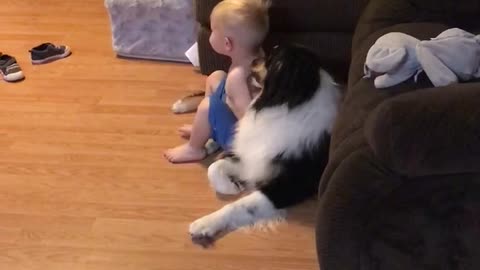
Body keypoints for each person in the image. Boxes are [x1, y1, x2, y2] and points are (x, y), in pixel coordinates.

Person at [164, 0, 270, 163]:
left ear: (227, 43)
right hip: (240, 122)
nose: (210, 34)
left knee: (207, 106)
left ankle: (194, 149)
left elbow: (249, 120)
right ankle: (204, 128)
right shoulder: (257, 56)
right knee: (216, 76)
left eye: (213, 30)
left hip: (240, 141)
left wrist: (228, 104)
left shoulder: (237, 77)